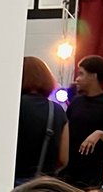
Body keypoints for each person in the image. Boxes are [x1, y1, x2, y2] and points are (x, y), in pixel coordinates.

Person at [62, 56, 103, 190]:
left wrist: (101, 134)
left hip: (90, 179)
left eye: (81, 74)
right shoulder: (76, 102)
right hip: (66, 175)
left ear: (93, 76)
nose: (77, 79)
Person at [14, 57, 68, 185]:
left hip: (11, 181)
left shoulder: (11, 106)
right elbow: (63, 159)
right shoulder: (57, 110)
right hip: (42, 186)